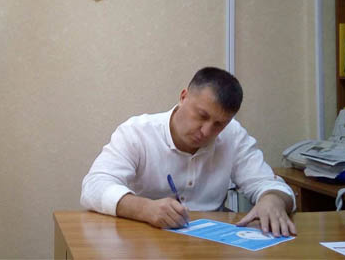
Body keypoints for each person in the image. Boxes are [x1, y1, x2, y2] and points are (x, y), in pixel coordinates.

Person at [80, 67, 297, 237]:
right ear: (183, 96)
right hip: (144, 239)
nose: (206, 131)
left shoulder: (233, 135)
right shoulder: (137, 132)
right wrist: (145, 209)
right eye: (202, 116)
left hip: (210, 245)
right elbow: (94, 187)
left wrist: (273, 200)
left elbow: (268, 183)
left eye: (219, 124)